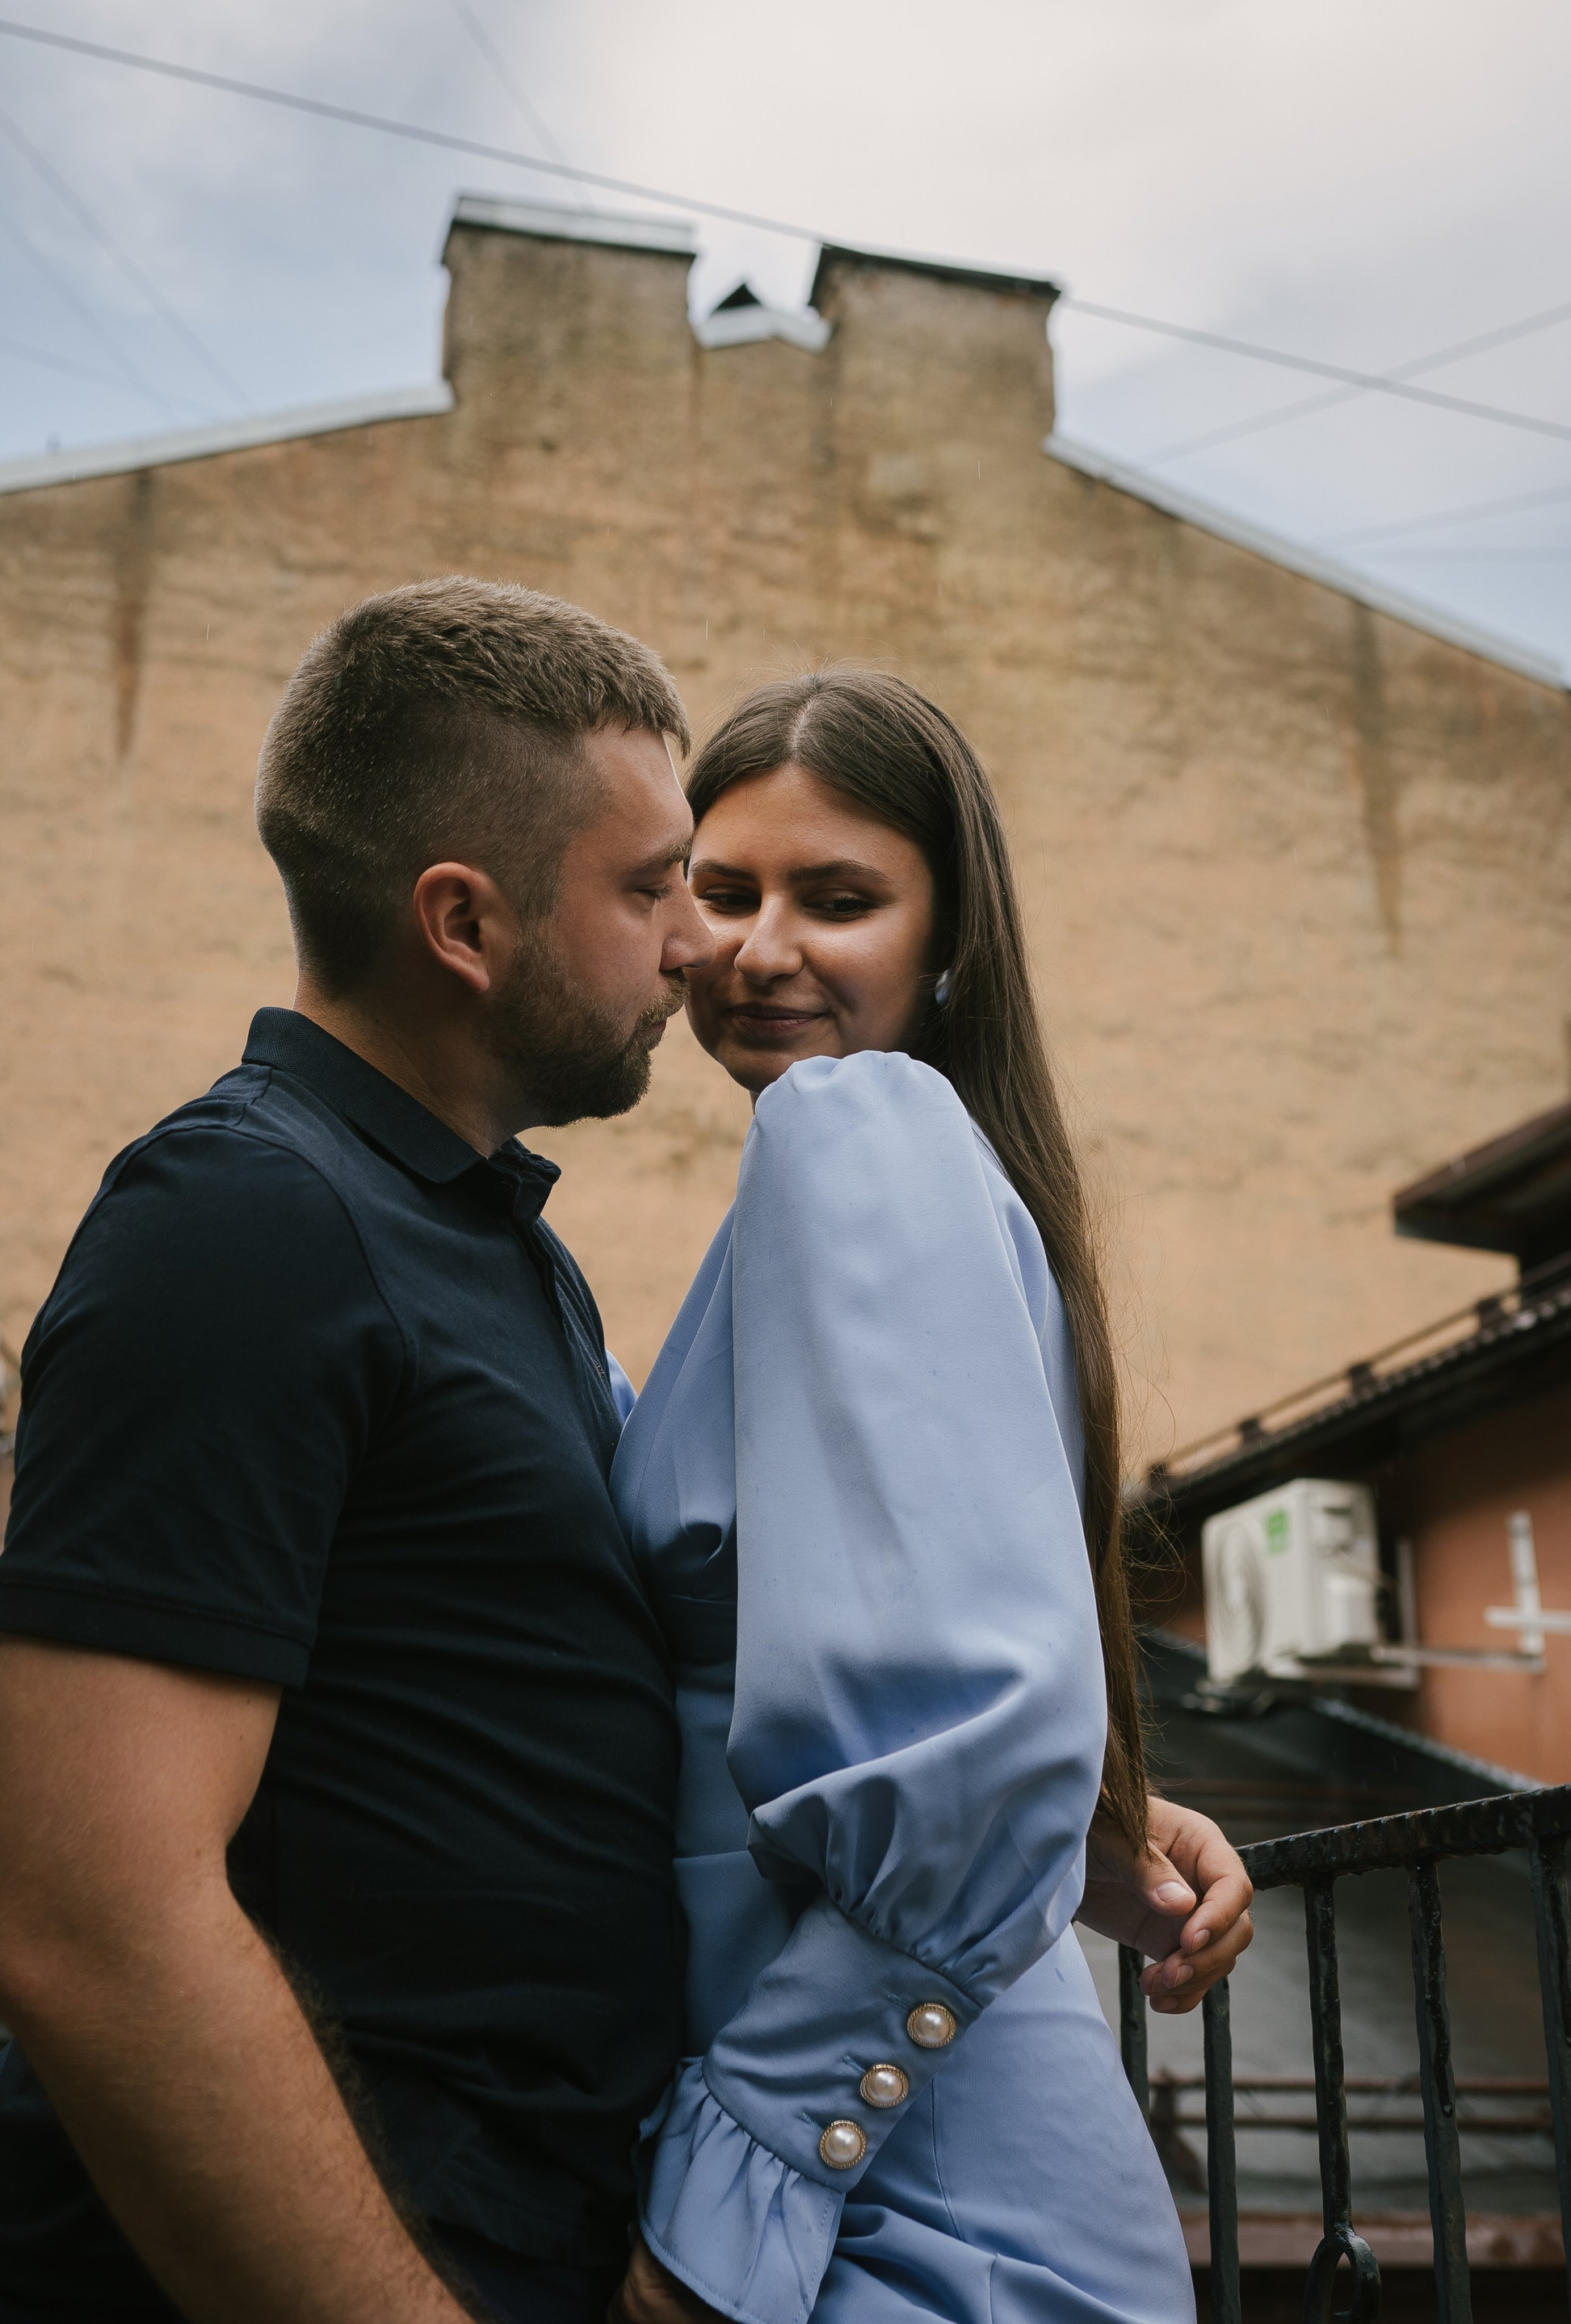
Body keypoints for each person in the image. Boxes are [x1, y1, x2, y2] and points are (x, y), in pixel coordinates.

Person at [0, 582, 1245, 2324]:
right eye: (667, 889)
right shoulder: (251, 1219)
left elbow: (770, 1697)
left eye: (824, 896)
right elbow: (86, 1921)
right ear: (464, 923)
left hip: (707, 2213)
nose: (709, 946)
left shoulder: (513, 1262)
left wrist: (1055, 1812)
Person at [609, 668, 1225, 2324]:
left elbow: (960, 1741)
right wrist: (1106, 1840)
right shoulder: (887, 1170)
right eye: (718, 889)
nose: (757, 946)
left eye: (839, 899)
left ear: (946, 941)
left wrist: (722, 2201)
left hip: (900, 2193)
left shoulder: (851, 1123)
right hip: (924, 2155)